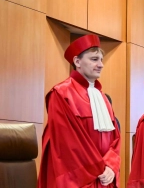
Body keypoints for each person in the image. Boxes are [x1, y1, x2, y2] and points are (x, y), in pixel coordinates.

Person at [38, 34, 121, 188]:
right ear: (77, 61)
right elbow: (68, 144)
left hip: (104, 177)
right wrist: (100, 168)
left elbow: (115, 137)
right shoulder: (61, 93)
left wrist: (111, 165)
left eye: (101, 60)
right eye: (94, 59)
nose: (101, 64)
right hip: (79, 179)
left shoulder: (102, 97)